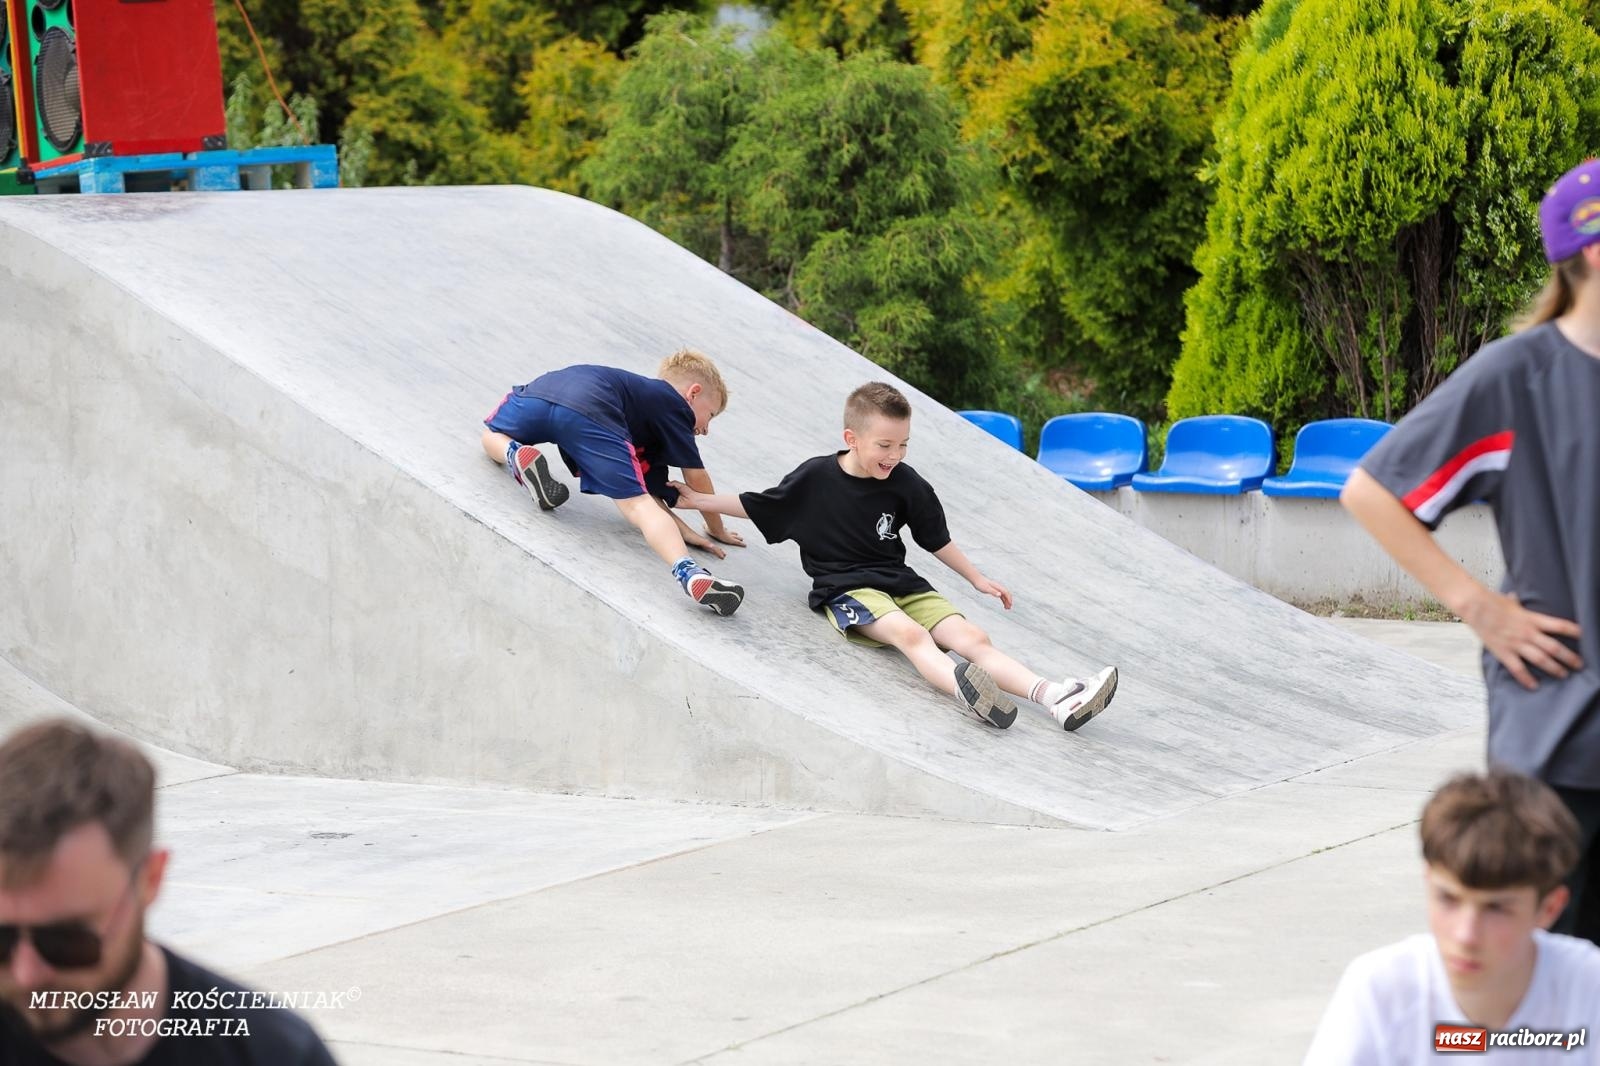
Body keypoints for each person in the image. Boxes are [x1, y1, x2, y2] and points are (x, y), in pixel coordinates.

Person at [1342, 158, 1600, 945]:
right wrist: (1479, 607)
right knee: (1550, 998)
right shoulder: (1518, 379)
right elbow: (1372, 491)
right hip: (1561, 743)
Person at [668, 381, 1118, 729]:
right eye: (884, 445)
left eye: (903, 445)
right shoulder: (815, 479)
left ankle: (1056, 697)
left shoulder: (905, 482)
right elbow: (760, 504)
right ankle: (968, 693)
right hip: (846, 588)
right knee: (910, 636)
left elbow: (933, 536)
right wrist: (697, 501)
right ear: (853, 437)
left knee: (973, 639)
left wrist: (976, 578)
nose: (894, 455)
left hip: (902, 582)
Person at [0, 719, 338, 1065]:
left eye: (66, 941)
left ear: (149, 880)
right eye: (2, 939)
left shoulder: (274, 1053)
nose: (27, 974)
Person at [1304, 770, 1600, 1064]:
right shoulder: (1380, 990)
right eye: (1448, 899)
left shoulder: (1588, 987)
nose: (1466, 935)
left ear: (1549, 909)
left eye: (1496, 908)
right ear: (1428, 881)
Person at [481, 348, 746, 615]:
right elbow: (694, 477)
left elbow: (648, 487)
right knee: (636, 506)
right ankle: (690, 573)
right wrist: (717, 528)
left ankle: (514, 453)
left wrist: (682, 530)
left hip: (545, 388)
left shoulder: (641, 408)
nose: (706, 430)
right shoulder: (674, 405)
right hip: (594, 408)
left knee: (493, 434)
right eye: (710, 415)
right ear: (693, 393)